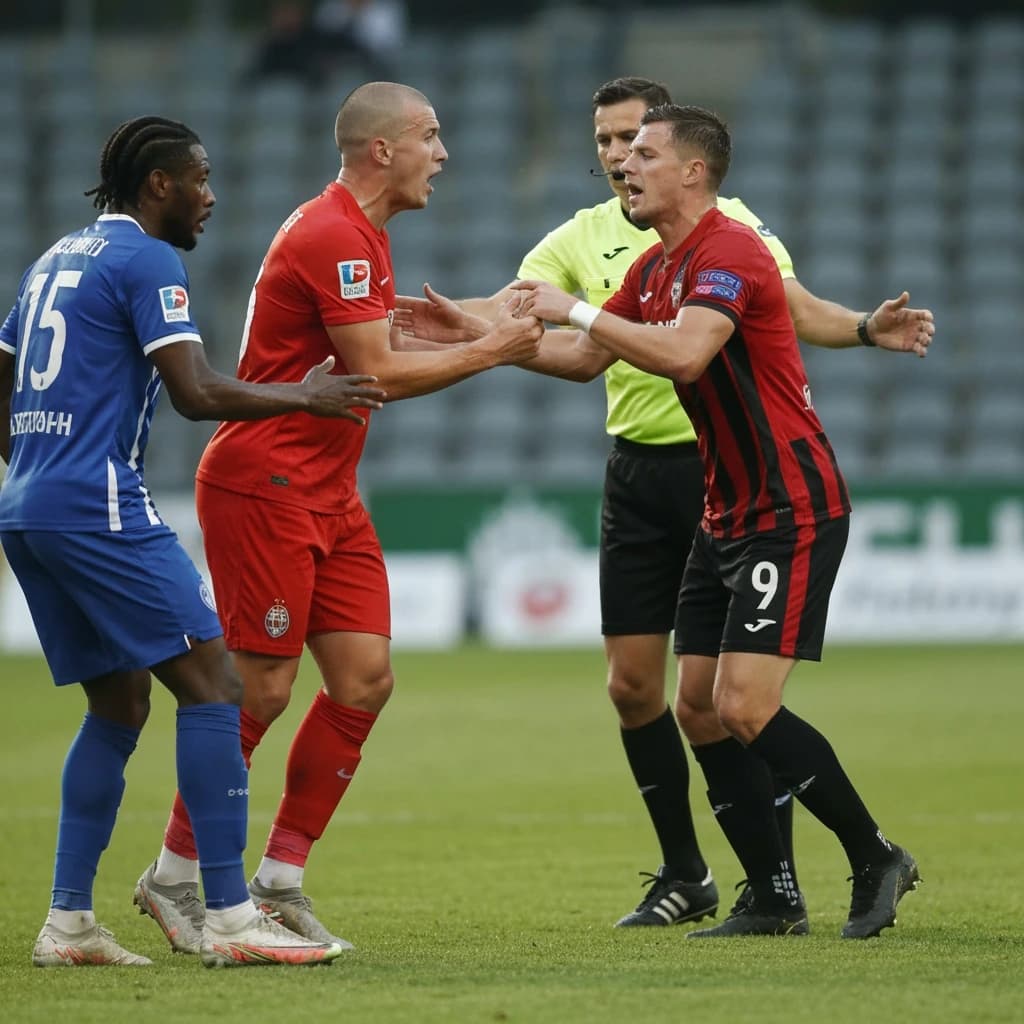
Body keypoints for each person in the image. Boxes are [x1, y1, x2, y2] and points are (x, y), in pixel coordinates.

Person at [394, 76, 933, 930]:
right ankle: (771, 898)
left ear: (693, 171)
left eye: (643, 152)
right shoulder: (657, 264)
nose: (623, 166)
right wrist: (481, 339)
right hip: (726, 512)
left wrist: (572, 308)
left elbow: (684, 355)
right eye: (617, 148)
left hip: (789, 505)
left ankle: (876, 856)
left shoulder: (734, 252)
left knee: (745, 706)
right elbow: (580, 359)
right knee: (693, 704)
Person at [132, 83, 543, 956]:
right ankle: (174, 875)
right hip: (267, 482)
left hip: (330, 487)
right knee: (262, 689)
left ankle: (279, 879)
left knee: (363, 679)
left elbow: (371, 346)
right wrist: (489, 348)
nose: (444, 153)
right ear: (381, 150)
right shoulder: (331, 232)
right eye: (431, 136)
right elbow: (376, 375)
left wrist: (458, 326)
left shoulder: (359, 236)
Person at [0, 115, 389, 967]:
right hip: (98, 504)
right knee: (217, 684)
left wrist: (36, 462)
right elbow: (195, 391)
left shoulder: (52, 260)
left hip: (28, 504)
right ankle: (226, 912)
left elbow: (2, 375)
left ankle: (68, 926)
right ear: (158, 186)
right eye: (200, 179)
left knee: (120, 704)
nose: (212, 197)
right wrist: (304, 398)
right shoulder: (147, 259)